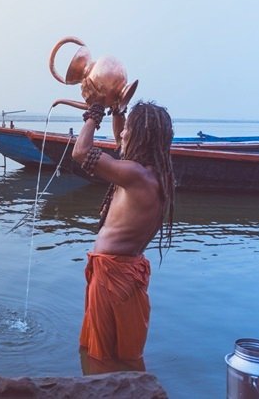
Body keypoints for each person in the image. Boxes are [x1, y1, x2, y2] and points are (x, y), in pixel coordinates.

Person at [71, 99, 175, 374]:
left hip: (113, 277)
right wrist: (118, 111)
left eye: (128, 129)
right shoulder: (152, 174)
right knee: (119, 354)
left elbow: (81, 152)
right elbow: (120, 142)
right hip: (120, 273)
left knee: (103, 357)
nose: (122, 134)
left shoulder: (135, 175)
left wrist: (94, 115)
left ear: (141, 135)